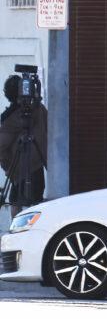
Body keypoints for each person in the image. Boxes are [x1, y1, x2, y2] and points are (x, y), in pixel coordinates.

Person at [0, 75, 48, 215]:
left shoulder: (10, 118)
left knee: (16, 201)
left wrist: (7, 166)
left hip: (19, 170)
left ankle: (17, 233)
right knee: (34, 202)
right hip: (34, 166)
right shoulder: (39, 110)